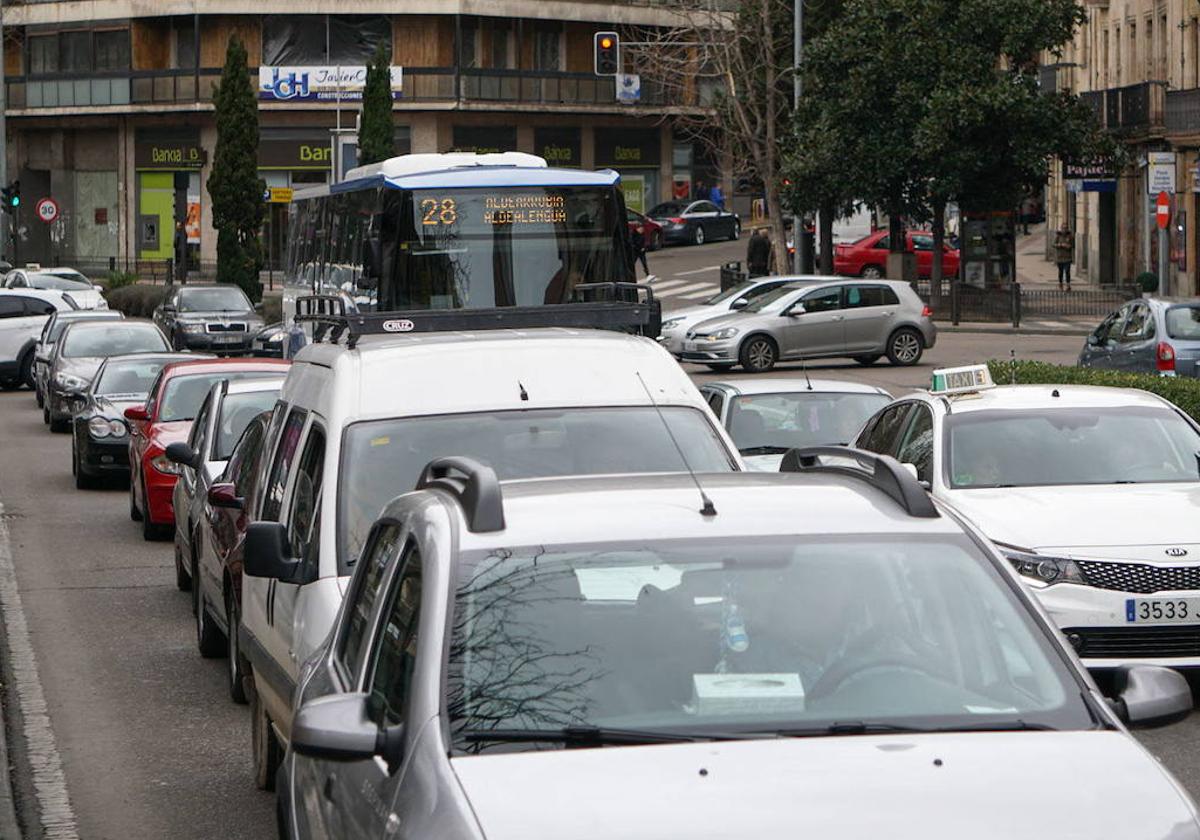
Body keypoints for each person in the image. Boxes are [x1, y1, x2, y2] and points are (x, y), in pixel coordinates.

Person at [1054, 224, 1074, 291]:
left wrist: (1069, 246)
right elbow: (1054, 244)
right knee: (1060, 272)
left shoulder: (1070, 236)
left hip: (1067, 257)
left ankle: (1068, 285)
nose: (1064, 230)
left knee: (1067, 271)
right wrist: (1060, 245)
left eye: (1065, 228)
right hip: (1060, 257)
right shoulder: (1058, 236)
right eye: (1063, 228)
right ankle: (1060, 284)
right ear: (1061, 229)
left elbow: (1073, 245)